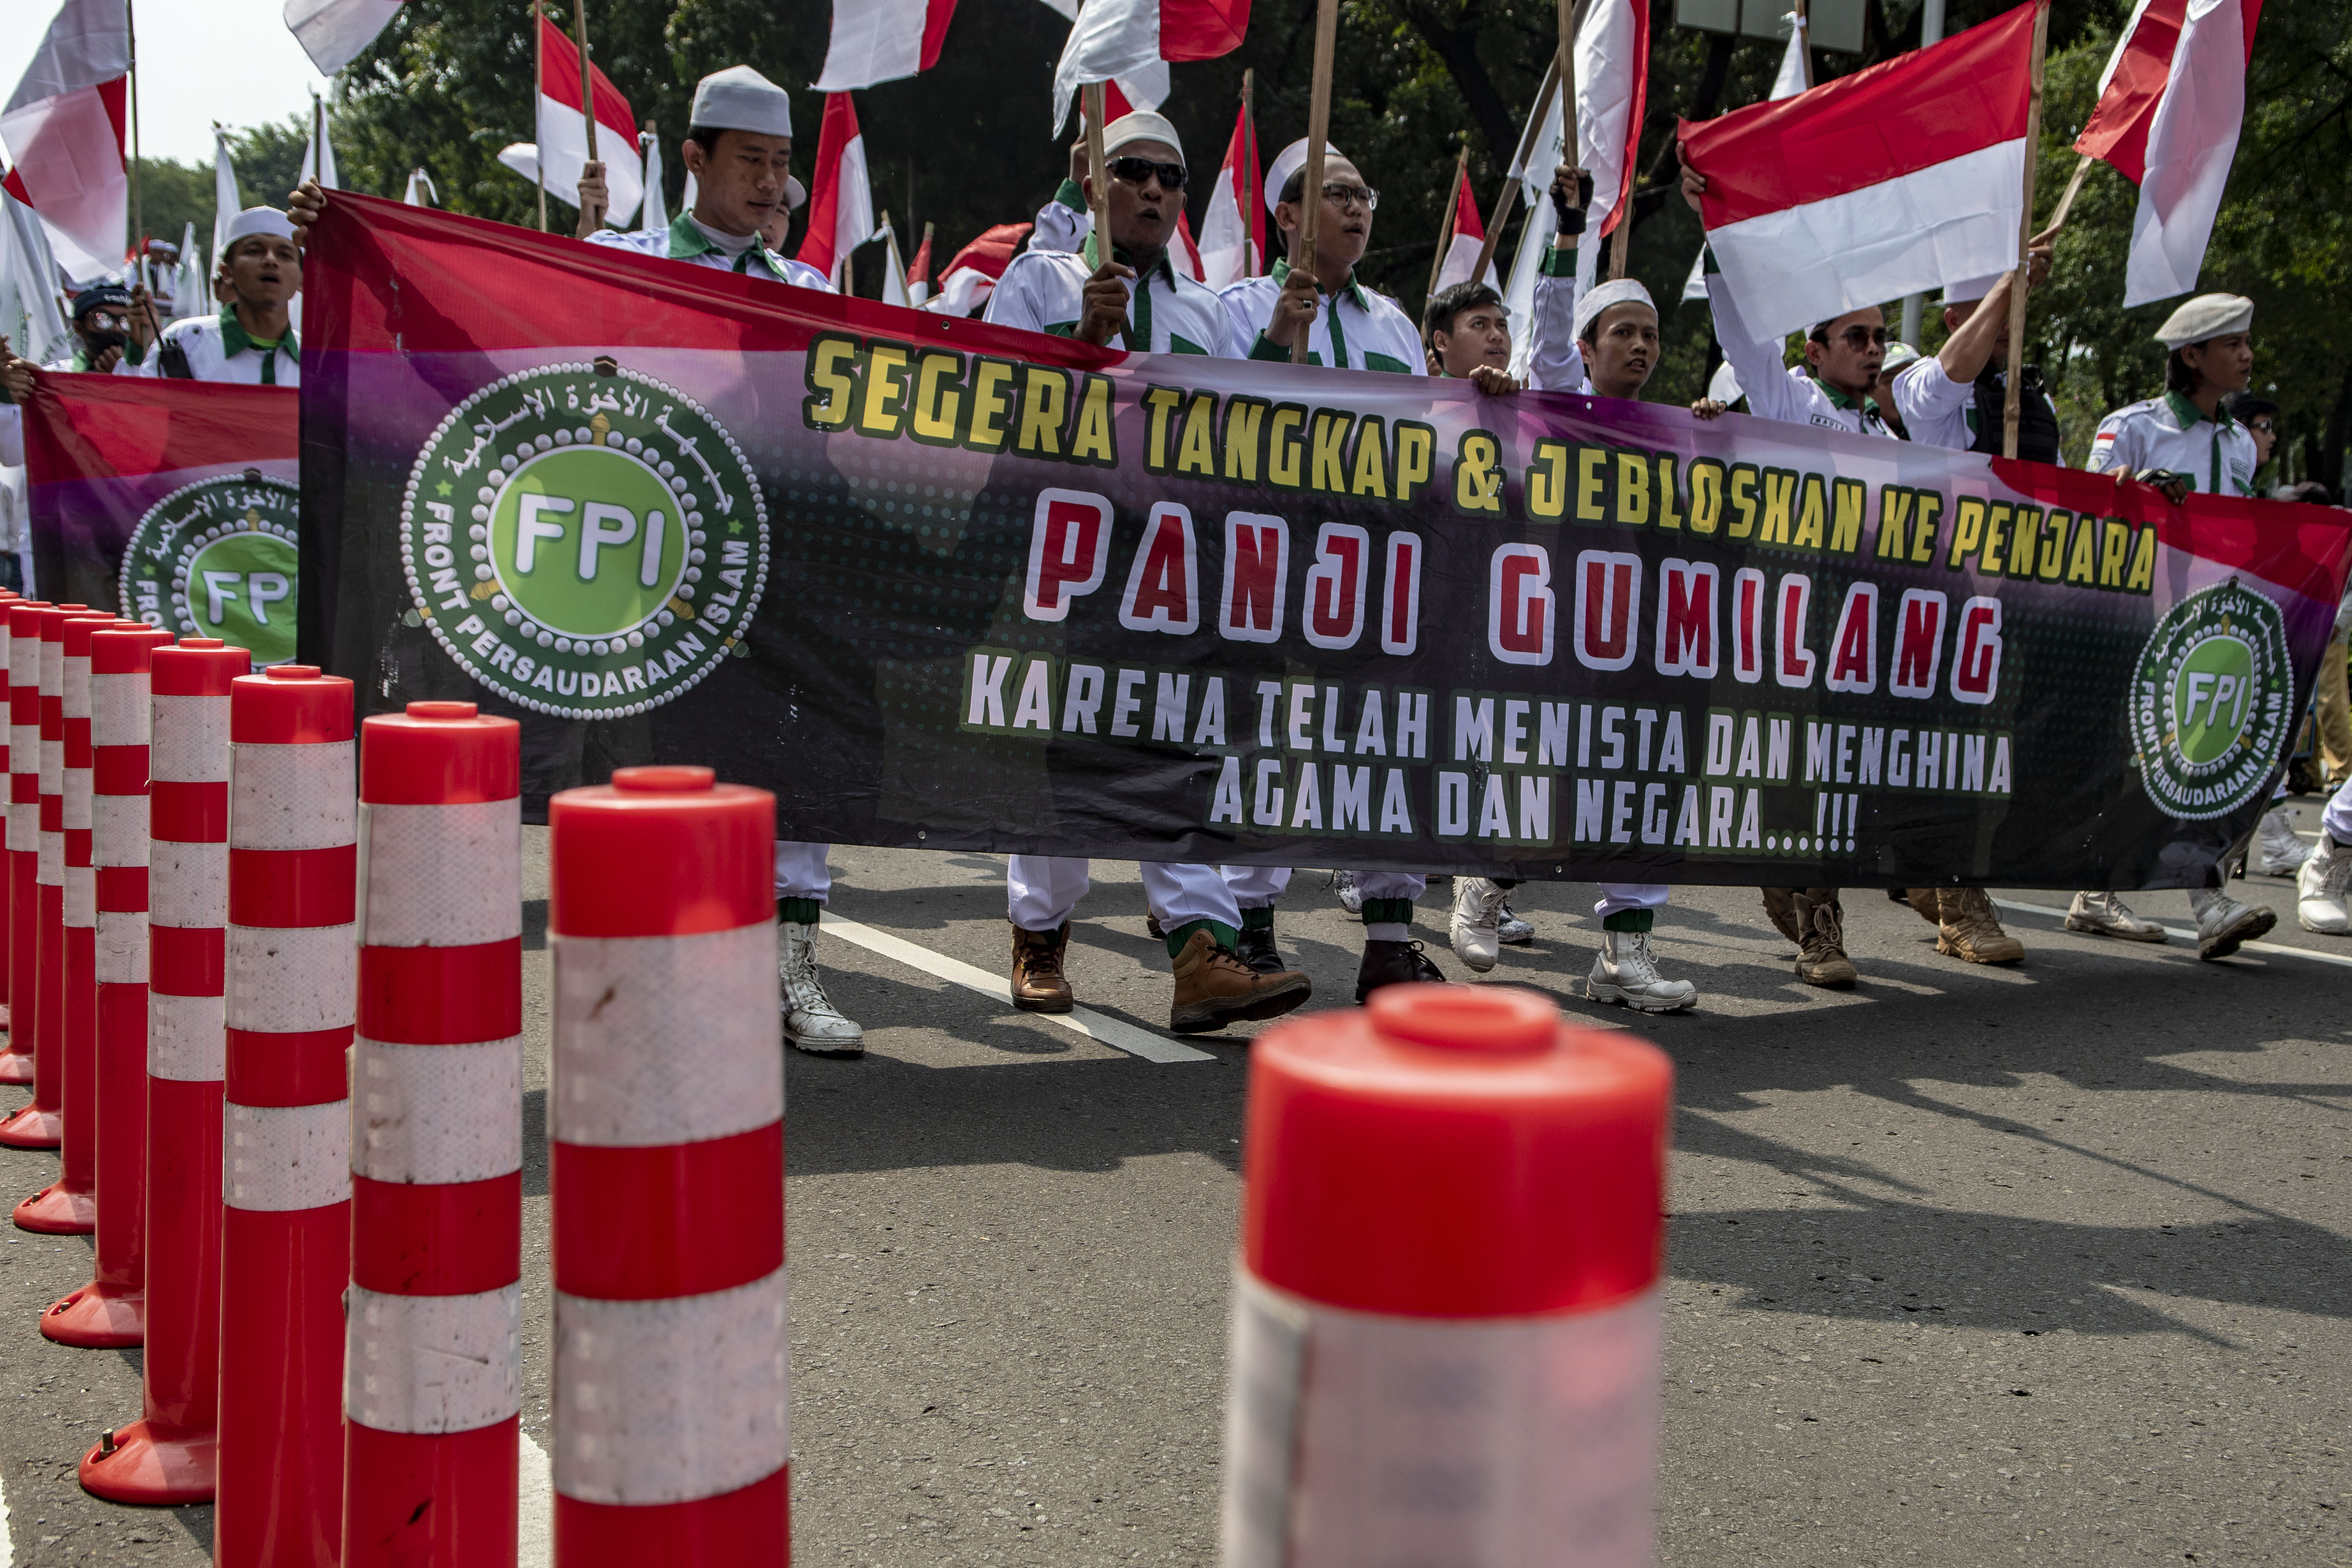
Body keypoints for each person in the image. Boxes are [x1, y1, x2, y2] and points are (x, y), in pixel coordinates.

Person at [984, 114, 1314, 1033]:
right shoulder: (1038, 281)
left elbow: (1227, 442)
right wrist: (1081, 345)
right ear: (1093, 180)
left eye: (1172, 175)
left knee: (1170, 742)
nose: (1157, 190)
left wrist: (1272, 354)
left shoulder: (1206, 311)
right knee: (1071, 749)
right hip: (1065, 555)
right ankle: (1040, 930)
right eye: (1134, 171)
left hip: (1171, 570)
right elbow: (994, 410)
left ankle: (1198, 952)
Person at [1682, 152, 2025, 981]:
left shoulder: (1901, 427)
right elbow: (1738, 327)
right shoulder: (1788, 404)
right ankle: (1818, 929)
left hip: (1894, 638)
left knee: (1947, 753)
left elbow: (1958, 369)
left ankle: (1961, 902)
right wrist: (1718, 228)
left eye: (1880, 338)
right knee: (1808, 776)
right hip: (1804, 635)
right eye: (1858, 338)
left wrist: (2011, 285)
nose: (1874, 350)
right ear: (1816, 348)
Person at [1216, 139, 1444, 999]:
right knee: (1266, 741)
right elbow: (1214, 420)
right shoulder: (1235, 306)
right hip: (1271, 563)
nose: (1356, 209)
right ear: (1285, 215)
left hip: (1376, 568)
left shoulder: (1390, 322)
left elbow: (1429, 439)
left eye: (1363, 193)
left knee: (1386, 742)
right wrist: (1280, 338)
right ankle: (1253, 927)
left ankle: (1390, 935)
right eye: (1335, 193)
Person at [2073, 292, 2278, 958]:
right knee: (2129, 761)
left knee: (2206, 757)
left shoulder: (2240, 444)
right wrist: (2137, 492)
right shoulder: (2132, 426)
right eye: (2232, 345)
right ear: (2192, 356)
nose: (2247, 357)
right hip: (2139, 620)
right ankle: (2096, 891)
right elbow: (2091, 505)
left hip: (2213, 627)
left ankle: (2206, 899)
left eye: (2247, 343)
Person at [573, 65, 831, 292]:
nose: (770, 181)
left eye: (781, 162)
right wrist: (588, 260)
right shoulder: (625, 263)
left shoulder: (809, 292)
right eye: (752, 159)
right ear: (696, 158)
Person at [1889, 261, 2061, 463]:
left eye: (2014, 311)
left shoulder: (2034, 395)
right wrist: (2012, 278)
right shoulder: (1918, 385)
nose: (2007, 326)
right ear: (1953, 321)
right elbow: (1950, 375)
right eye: (1993, 313)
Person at [133, 209, 302, 385]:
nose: (270, 260)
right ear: (227, 272)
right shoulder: (184, 342)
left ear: (302, 278)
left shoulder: (317, 363)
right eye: (254, 251)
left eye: (285, 255)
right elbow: (141, 407)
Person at [46, 281, 156, 375]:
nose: (117, 329)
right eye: (103, 319)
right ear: (79, 328)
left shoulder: (149, 373)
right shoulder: (58, 374)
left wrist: (123, 375)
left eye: (125, 321)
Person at [1870, 341, 1920, 438]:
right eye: (1893, 381)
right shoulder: (1849, 433)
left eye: (1912, 379)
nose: (1904, 388)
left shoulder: (1934, 436)